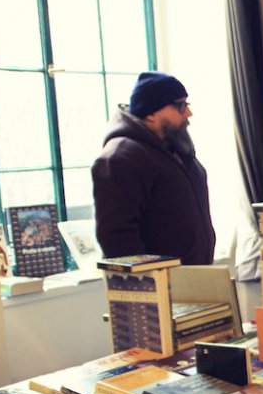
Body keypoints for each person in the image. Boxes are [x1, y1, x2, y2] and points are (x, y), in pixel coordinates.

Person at [92, 71, 215, 264]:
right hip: (158, 280)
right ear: (150, 113)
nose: (188, 113)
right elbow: (117, 237)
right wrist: (149, 277)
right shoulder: (121, 157)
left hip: (192, 276)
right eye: (180, 106)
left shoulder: (176, 148)